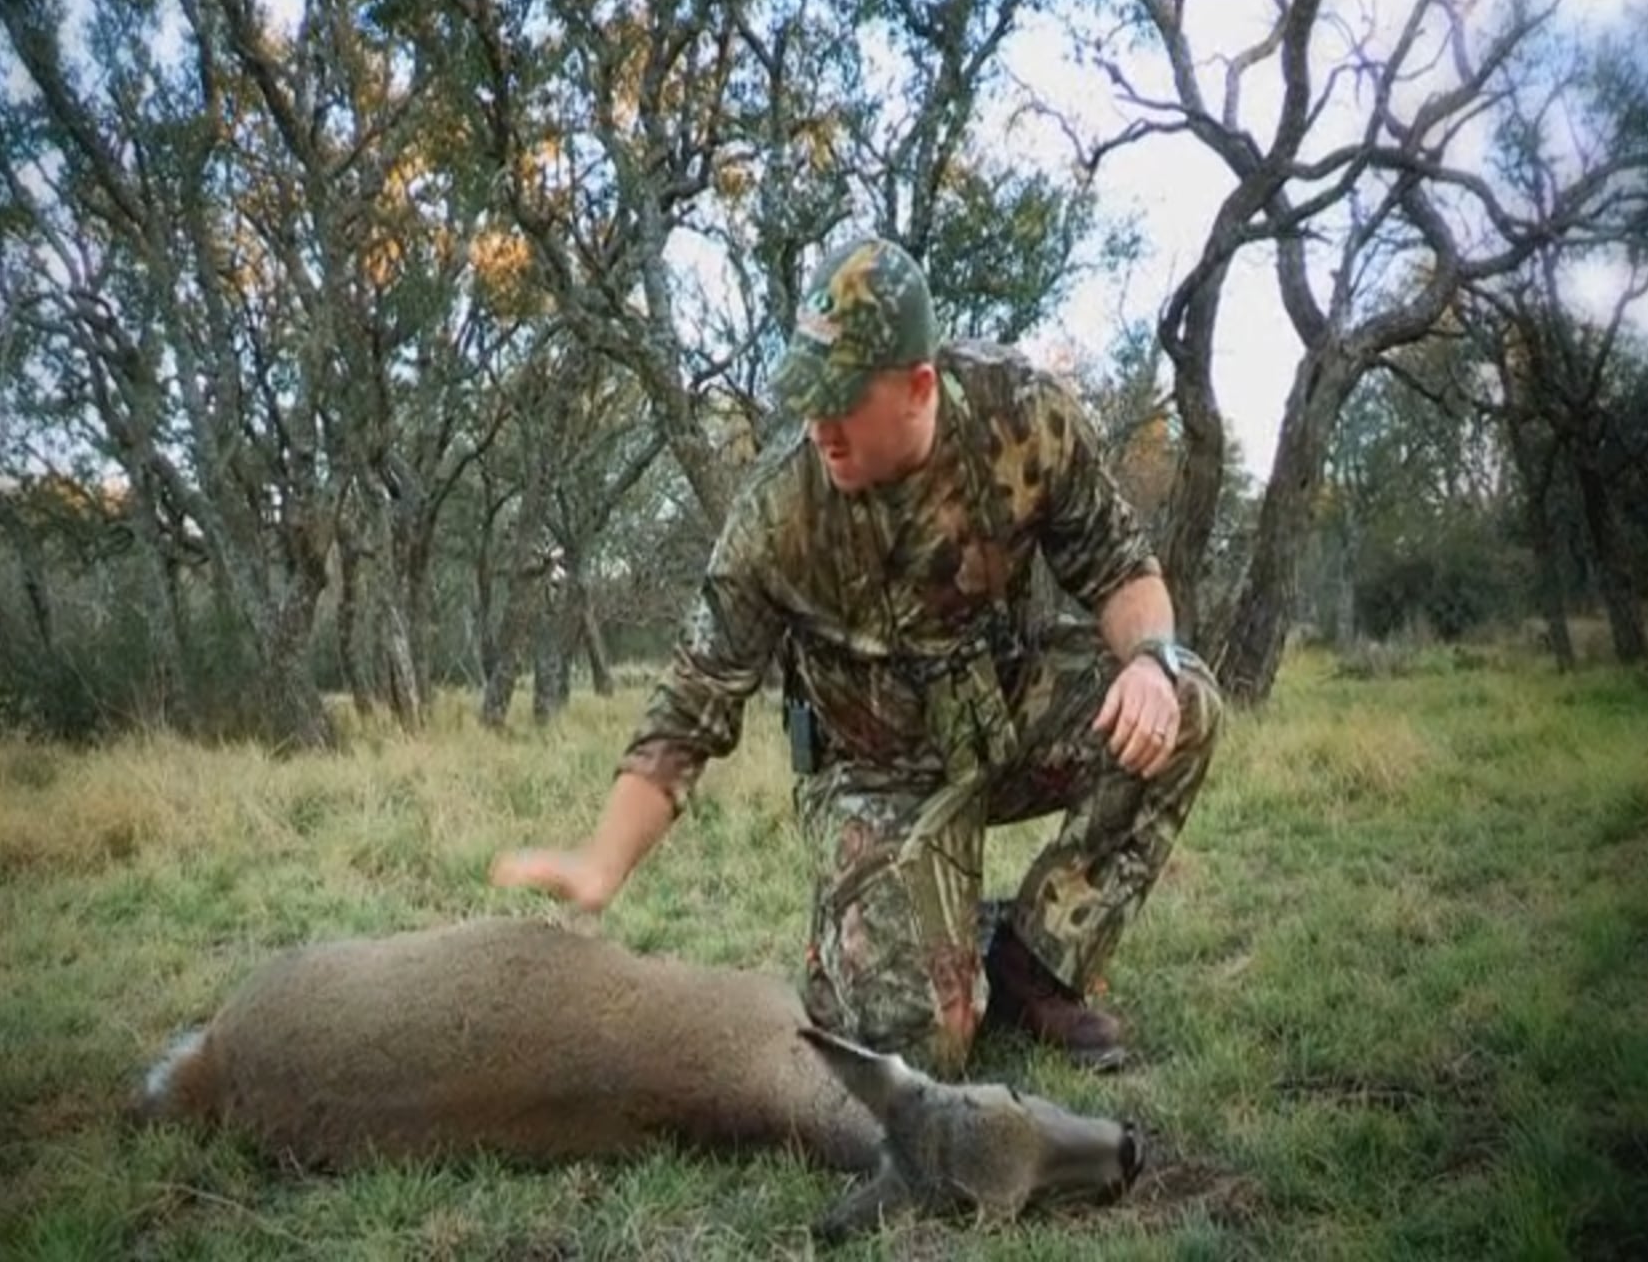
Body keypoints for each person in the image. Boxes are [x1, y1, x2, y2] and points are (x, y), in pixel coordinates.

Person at [492, 237, 1223, 1078]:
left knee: (1186, 696)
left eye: (841, 400)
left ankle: (1036, 969)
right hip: (875, 776)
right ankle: (917, 932)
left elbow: (1123, 570)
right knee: (915, 1051)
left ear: (918, 386)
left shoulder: (1024, 413)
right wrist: (600, 864)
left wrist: (1149, 660)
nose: (819, 427)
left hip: (1006, 713)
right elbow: (692, 703)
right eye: (808, 398)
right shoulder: (781, 513)